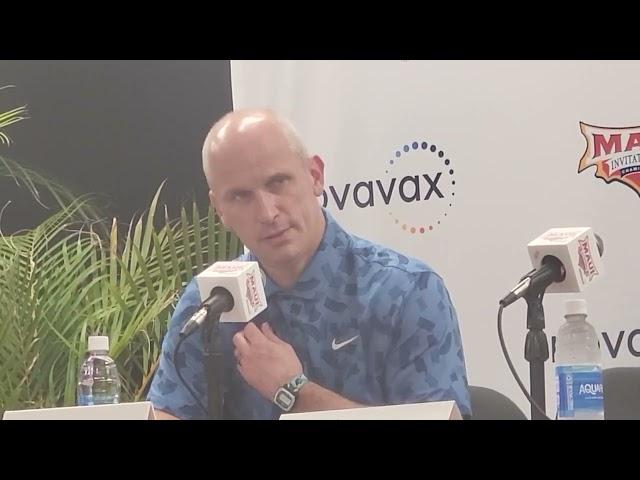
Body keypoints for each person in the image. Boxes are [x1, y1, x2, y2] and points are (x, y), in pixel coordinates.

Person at [147, 109, 472, 420]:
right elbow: (171, 410)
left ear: (315, 176)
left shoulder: (405, 291)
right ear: (219, 209)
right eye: (240, 196)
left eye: (278, 183)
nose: (267, 212)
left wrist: (293, 390)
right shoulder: (209, 304)